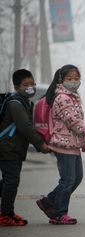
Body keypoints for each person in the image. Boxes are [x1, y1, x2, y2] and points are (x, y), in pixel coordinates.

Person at [36, 65, 85, 225]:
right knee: (68, 180)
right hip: (62, 144)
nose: (73, 82)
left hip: (72, 144)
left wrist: (82, 142)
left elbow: (74, 124)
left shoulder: (73, 96)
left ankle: (49, 201)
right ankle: (59, 213)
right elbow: (73, 122)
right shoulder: (62, 97)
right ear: (61, 80)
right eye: (69, 79)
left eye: (76, 78)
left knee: (76, 178)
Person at [0, 69, 50, 226]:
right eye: (26, 85)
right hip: (7, 148)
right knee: (11, 181)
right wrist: (40, 144)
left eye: (32, 84)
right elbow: (25, 127)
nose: (30, 87)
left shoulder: (26, 102)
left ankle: (7, 213)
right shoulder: (15, 104)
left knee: (10, 181)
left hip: (15, 148)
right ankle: (5, 214)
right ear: (16, 87)